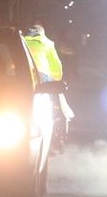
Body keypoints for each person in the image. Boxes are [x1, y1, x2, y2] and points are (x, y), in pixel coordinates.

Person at [24, 24, 73, 153]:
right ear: (42, 33)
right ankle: (55, 139)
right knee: (55, 104)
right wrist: (56, 79)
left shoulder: (22, 41)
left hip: (25, 78)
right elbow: (57, 67)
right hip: (44, 79)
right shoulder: (47, 43)